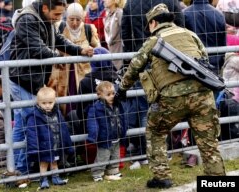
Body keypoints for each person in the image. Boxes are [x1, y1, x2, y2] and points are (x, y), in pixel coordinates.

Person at [115, 3, 226, 189]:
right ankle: (217, 182)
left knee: (155, 131)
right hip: (202, 96)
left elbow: (134, 66)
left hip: (172, 98)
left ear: (153, 23)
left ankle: (162, 177)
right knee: (208, 142)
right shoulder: (190, 35)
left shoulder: (153, 41)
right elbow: (204, 61)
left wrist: (122, 89)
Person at [9, 0, 93, 176]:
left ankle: (20, 168)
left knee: (23, 122)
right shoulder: (27, 19)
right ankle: (21, 169)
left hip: (31, 79)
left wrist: (79, 50)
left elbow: (58, 40)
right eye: (57, 14)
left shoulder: (46, 20)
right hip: (22, 78)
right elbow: (37, 48)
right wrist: (57, 57)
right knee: (28, 122)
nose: (59, 18)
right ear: (46, 8)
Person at [49, 2, 100, 116]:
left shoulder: (88, 29)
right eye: (71, 19)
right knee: (62, 103)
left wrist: (91, 50)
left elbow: (98, 49)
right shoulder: (59, 27)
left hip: (84, 75)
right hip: (62, 75)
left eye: (78, 19)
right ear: (66, 17)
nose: (75, 23)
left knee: (82, 101)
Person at [76, 47, 123, 165]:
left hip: (95, 129)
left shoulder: (85, 82)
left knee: (73, 115)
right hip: (117, 126)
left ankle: (84, 153)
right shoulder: (118, 79)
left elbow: (80, 110)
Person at [26, 86, 74, 189]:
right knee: (43, 164)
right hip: (44, 146)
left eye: (50, 103)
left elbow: (64, 128)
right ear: (38, 102)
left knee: (54, 163)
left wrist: (67, 144)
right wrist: (34, 148)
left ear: (54, 101)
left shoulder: (57, 113)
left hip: (56, 144)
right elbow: (32, 133)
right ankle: (43, 179)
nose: (47, 106)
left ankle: (56, 177)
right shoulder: (34, 116)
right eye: (44, 103)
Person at [86, 81, 127, 182]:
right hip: (104, 138)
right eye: (108, 95)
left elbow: (123, 117)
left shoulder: (117, 105)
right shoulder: (96, 108)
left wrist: (124, 129)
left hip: (117, 135)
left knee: (115, 156)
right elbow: (92, 123)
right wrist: (93, 136)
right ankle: (97, 173)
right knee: (102, 157)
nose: (112, 96)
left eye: (113, 93)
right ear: (99, 95)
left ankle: (113, 171)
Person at [183, 0, 227, 75]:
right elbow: (223, 42)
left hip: (192, 63)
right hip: (214, 63)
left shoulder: (184, 14)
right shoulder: (218, 14)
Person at [103, 0, 126, 70]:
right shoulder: (108, 15)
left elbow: (124, 33)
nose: (104, 0)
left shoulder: (119, 13)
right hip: (111, 51)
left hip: (119, 52)